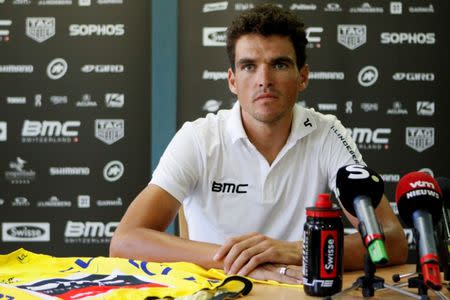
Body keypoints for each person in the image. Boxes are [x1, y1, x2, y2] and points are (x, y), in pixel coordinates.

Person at [110, 4, 407, 283]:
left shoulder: (327, 133)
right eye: (249, 66)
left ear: (302, 76)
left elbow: (391, 241)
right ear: (232, 80)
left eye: (278, 64)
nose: (264, 79)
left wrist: (298, 251)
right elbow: (125, 241)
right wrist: (241, 261)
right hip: (217, 291)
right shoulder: (199, 137)